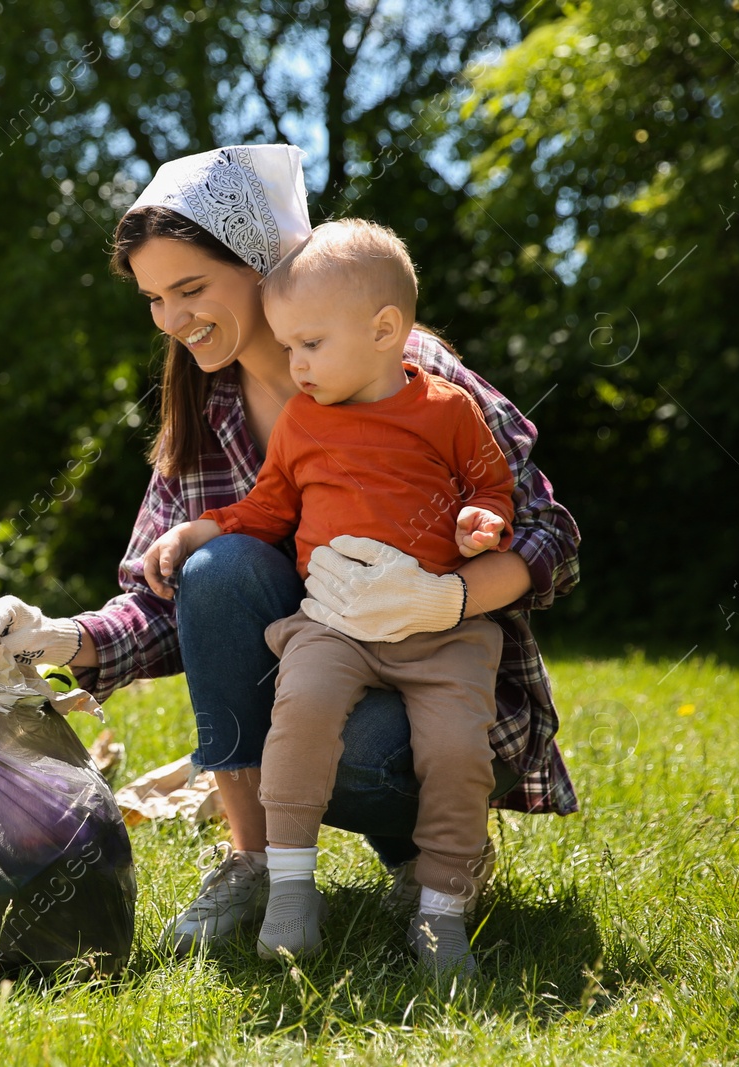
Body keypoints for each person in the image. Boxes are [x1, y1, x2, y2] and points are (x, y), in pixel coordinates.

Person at [0, 144, 581, 958]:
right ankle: (253, 862)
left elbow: (551, 536)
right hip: (319, 670)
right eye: (153, 298)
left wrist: (451, 594)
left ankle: (434, 862)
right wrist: (52, 636)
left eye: (190, 289)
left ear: (266, 264)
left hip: (442, 681)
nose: (172, 320)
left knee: (358, 749)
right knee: (216, 566)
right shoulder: (203, 412)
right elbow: (161, 597)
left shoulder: (412, 373)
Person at [141, 218, 515, 975]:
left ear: (385, 331)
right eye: (289, 348)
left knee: (453, 751)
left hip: (442, 634)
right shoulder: (303, 422)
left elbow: (498, 491)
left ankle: (441, 905)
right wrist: (197, 531)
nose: (298, 364)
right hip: (333, 624)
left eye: (310, 345)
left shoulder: (446, 407)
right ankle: (288, 890)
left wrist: (480, 529)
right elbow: (269, 507)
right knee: (298, 716)